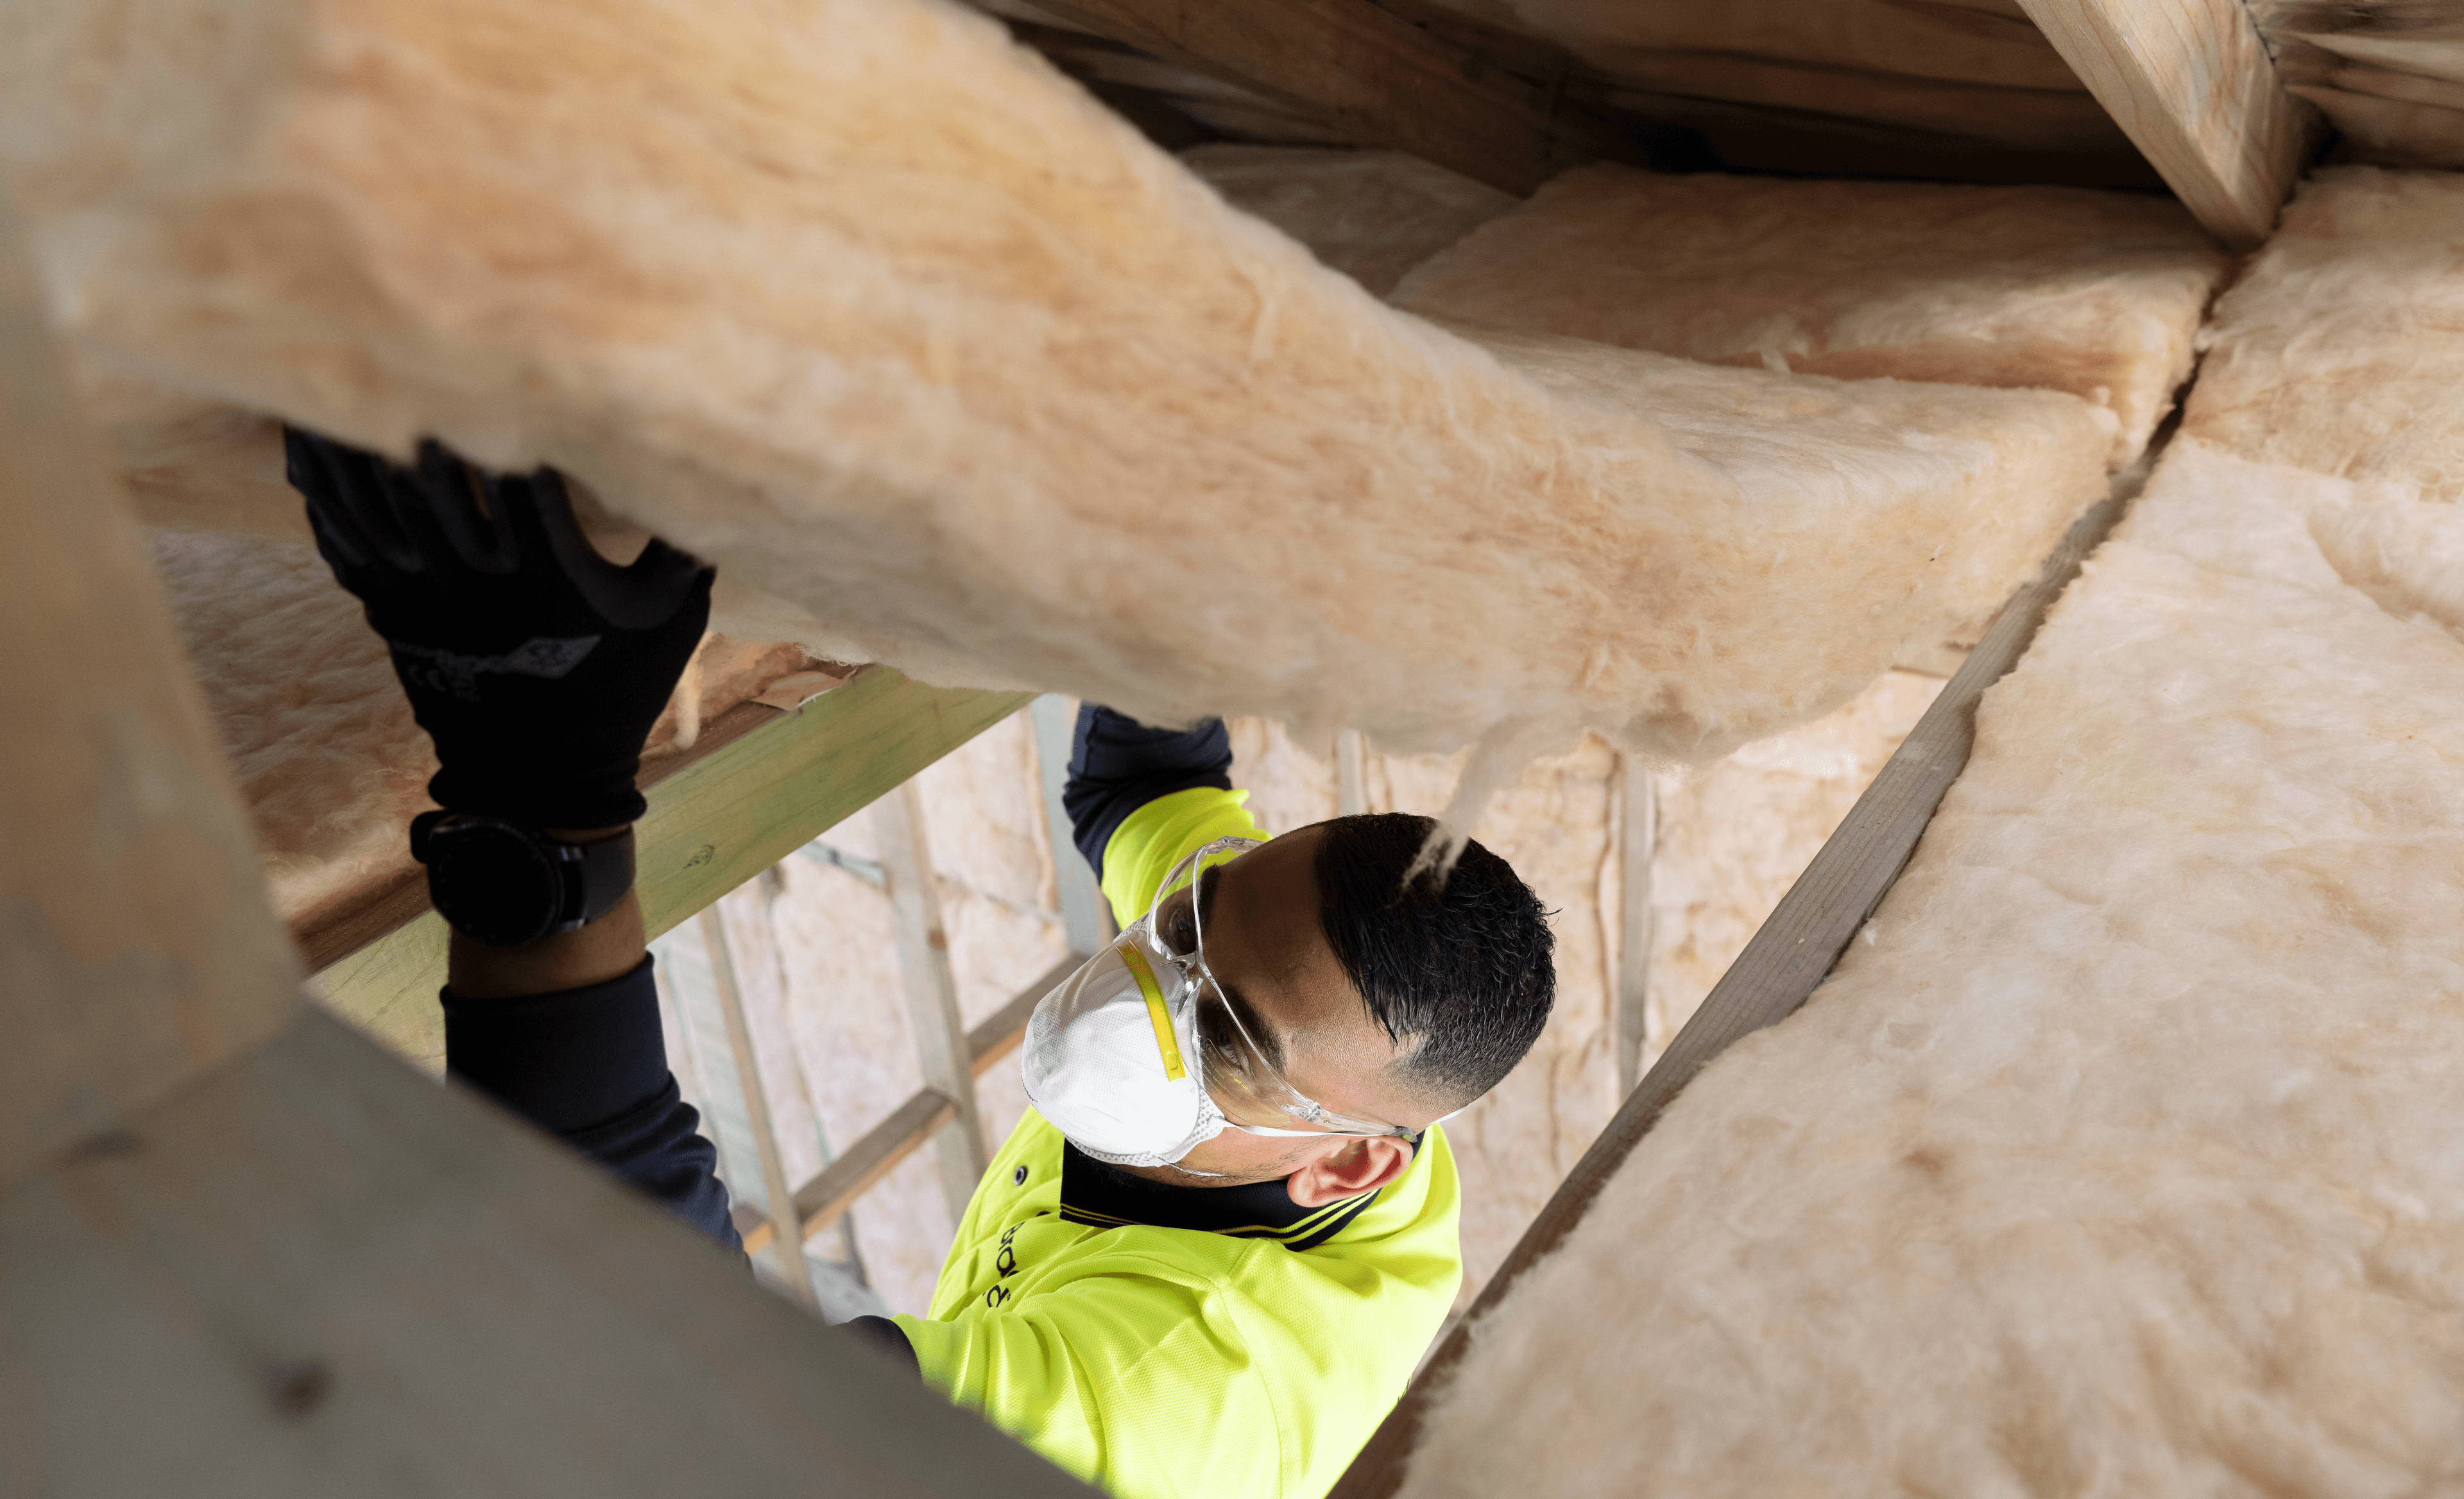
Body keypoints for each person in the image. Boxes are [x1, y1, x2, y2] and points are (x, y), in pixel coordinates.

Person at [286, 431, 1558, 1499]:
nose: (1144, 987)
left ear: (1346, 1159)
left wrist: (541, 797)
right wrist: (1179, 546)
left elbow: (693, 1394)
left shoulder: (1168, 1400)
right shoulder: (1311, 1007)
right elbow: (1151, 782)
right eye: (1182, 918)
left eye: (1224, 1035)